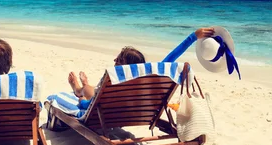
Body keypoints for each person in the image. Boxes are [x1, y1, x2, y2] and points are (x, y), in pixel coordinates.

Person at [68, 27, 215, 101]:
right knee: (94, 89)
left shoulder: (113, 80)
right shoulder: (149, 79)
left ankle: (78, 88)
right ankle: (83, 86)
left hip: (106, 109)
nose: (114, 61)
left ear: (124, 66)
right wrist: (192, 37)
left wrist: (81, 100)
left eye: (118, 60)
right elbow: (171, 57)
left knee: (87, 91)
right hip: (135, 111)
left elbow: (90, 103)